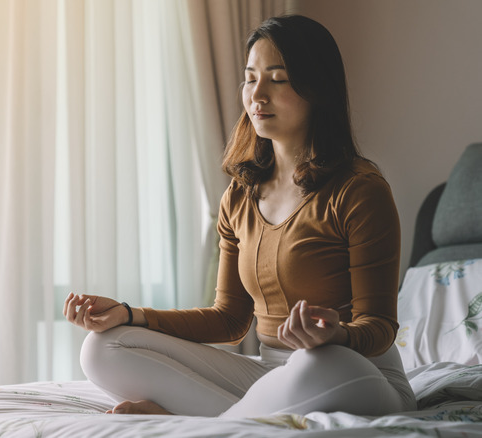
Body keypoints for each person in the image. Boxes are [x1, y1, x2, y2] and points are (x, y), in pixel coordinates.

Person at [62, 15, 418, 418]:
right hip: (269, 377)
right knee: (103, 347)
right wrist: (129, 314)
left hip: (354, 370)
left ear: (317, 88)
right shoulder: (240, 195)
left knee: (318, 362)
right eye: (250, 78)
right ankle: (242, 417)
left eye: (278, 78)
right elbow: (230, 320)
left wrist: (337, 334)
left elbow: (380, 327)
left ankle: (200, 419)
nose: (257, 95)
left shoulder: (360, 190)